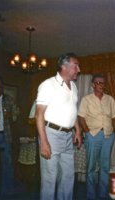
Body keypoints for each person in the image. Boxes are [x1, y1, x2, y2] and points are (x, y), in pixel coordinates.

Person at [35, 52, 82, 200]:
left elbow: (71, 110)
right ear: (64, 67)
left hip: (68, 136)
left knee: (68, 177)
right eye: (76, 66)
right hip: (51, 135)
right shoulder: (48, 85)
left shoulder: (74, 87)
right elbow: (39, 114)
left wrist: (78, 130)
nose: (79, 70)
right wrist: (44, 142)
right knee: (50, 178)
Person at [78, 74, 115, 200]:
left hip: (108, 135)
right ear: (93, 85)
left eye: (103, 83)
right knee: (90, 166)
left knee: (105, 166)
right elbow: (81, 117)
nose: (101, 85)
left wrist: (113, 131)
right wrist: (87, 132)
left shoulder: (110, 99)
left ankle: (103, 194)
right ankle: (91, 195)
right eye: (98, 83)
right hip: (92, 135)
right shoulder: (86, 99)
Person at [0, 74, 19, 196]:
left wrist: (11, 116)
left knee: (7, 165)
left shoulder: (8, 99)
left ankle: (7, 192)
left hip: (5, 136)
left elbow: (16, 113)